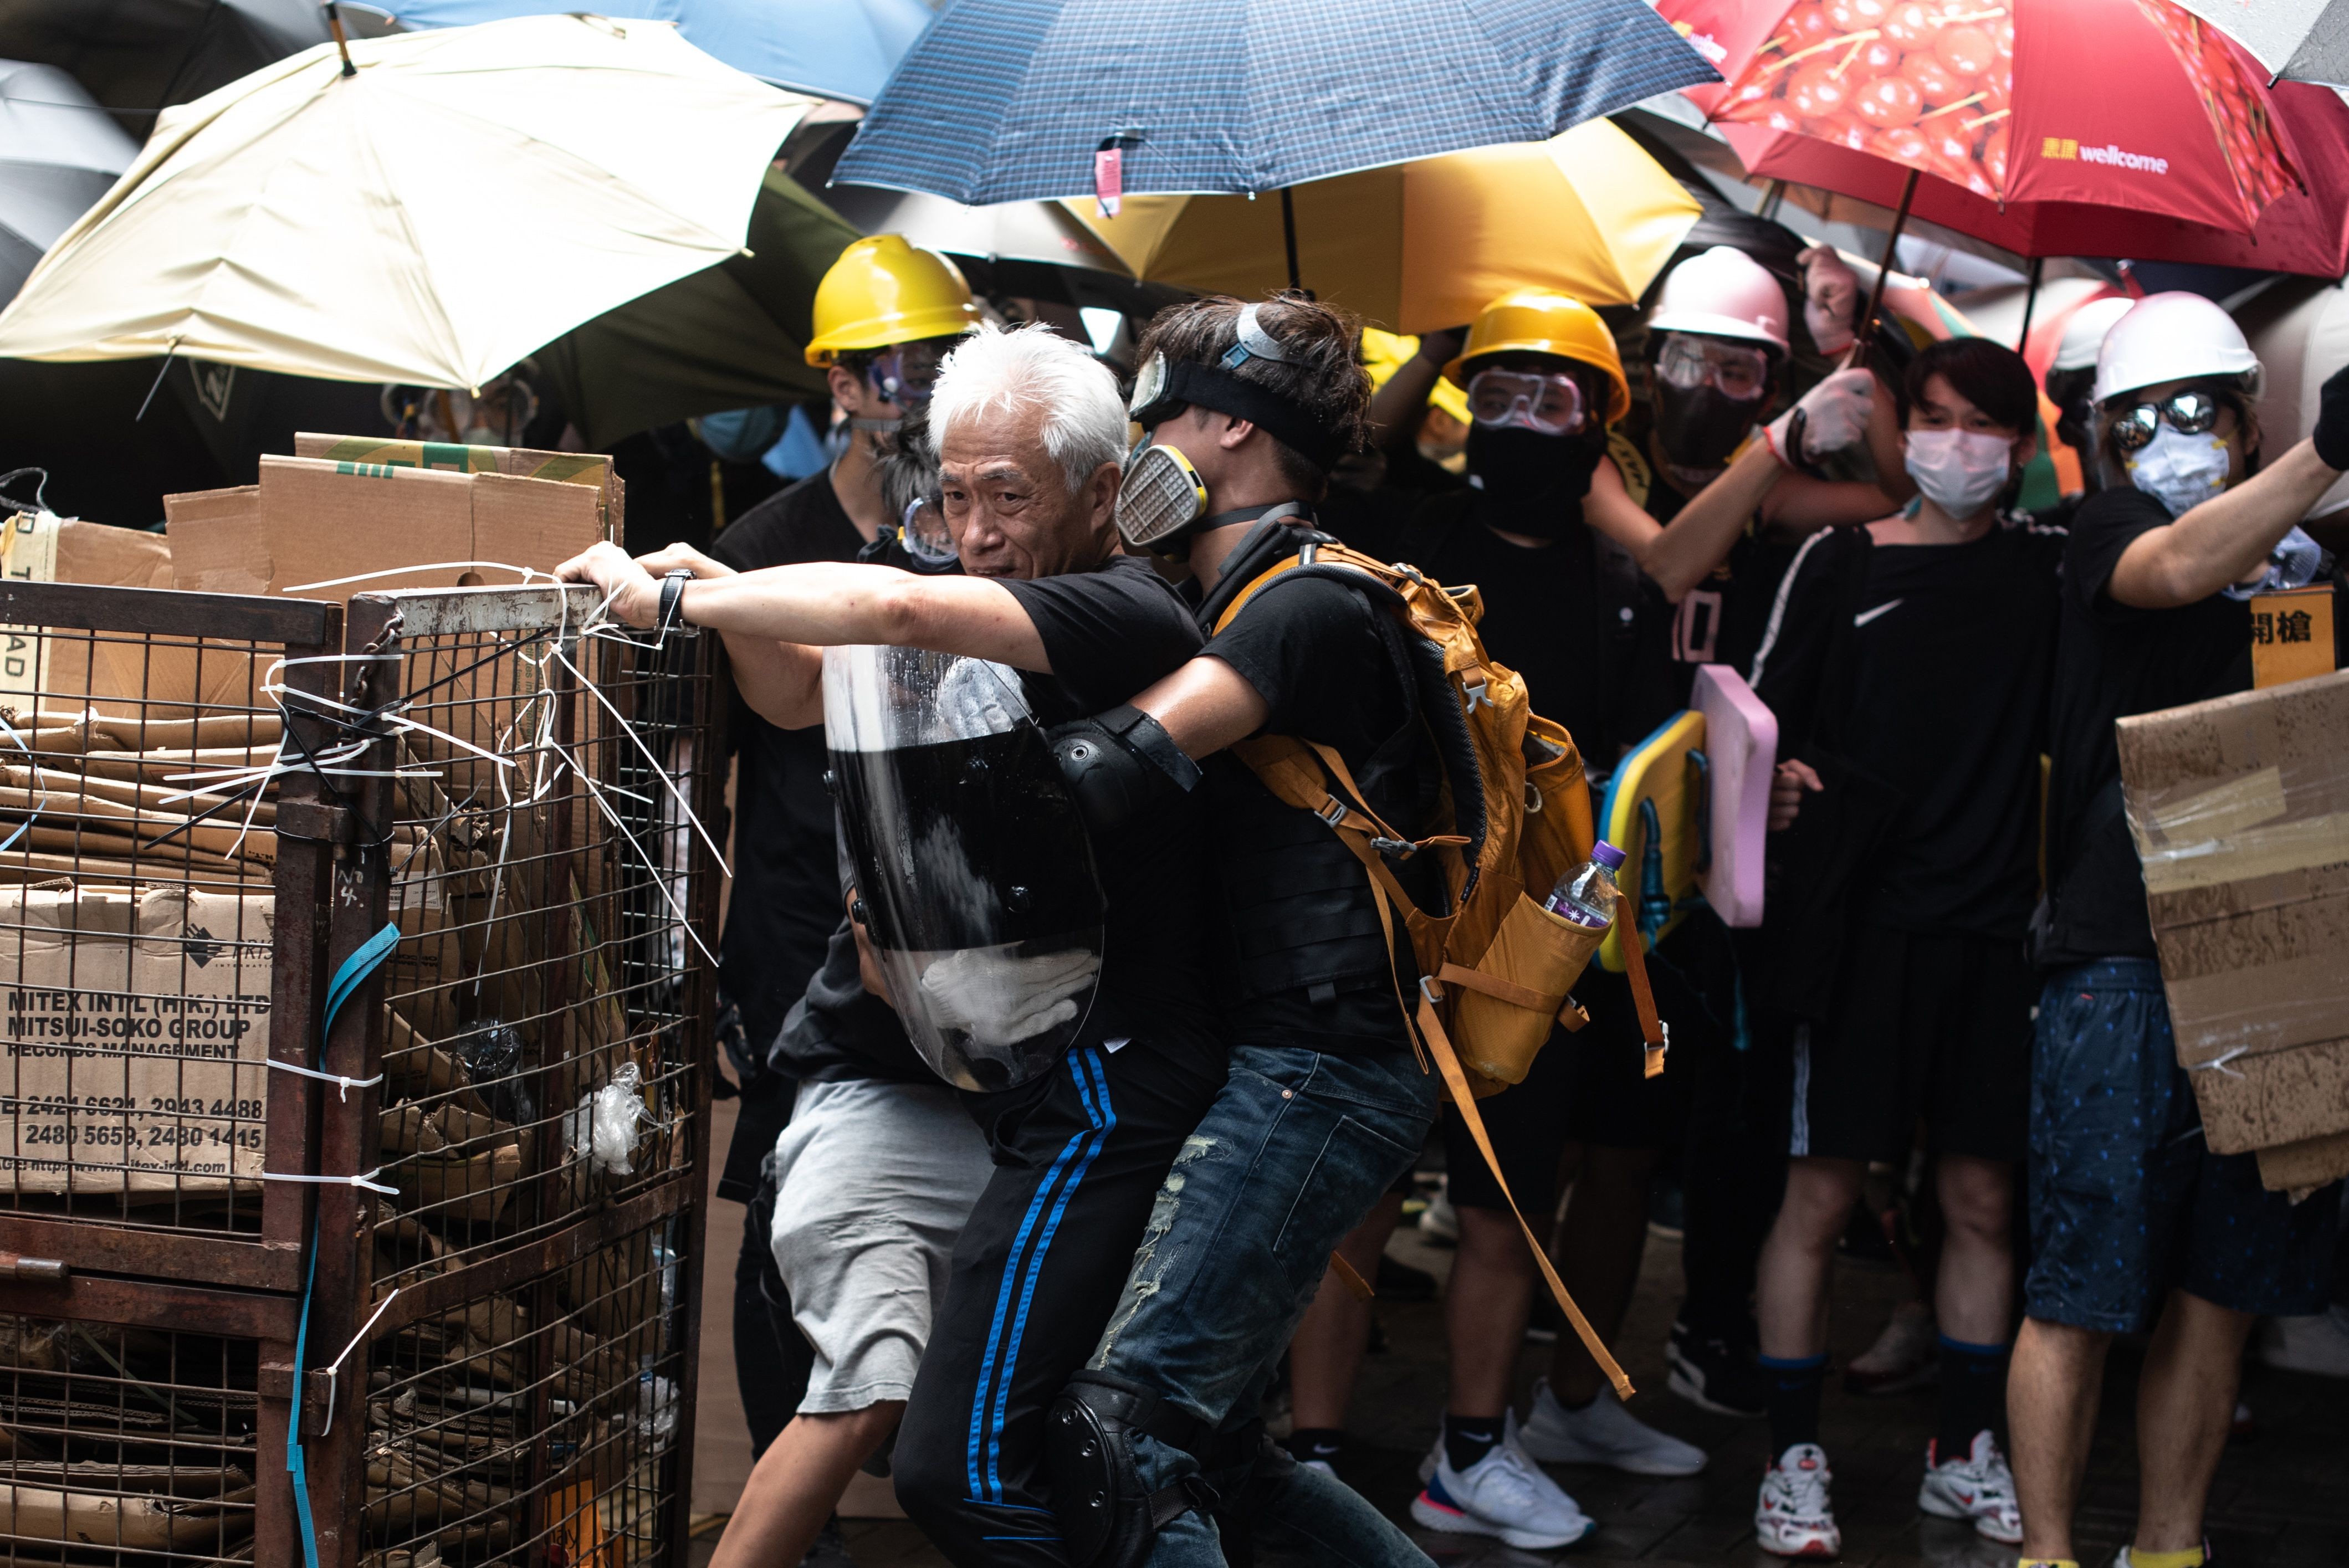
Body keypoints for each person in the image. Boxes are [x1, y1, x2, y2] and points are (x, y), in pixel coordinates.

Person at [560, 322, 1230, 1568]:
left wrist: (675, 596)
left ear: (1100, 491)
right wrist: (730, 605)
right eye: (956, 493)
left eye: (1009, 496)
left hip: (1035, 1092)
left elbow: (897, 604)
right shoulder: (951, 581)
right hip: (889, 1074)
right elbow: (798, 687)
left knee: (993, 1425)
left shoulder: (1122, 608)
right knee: (868, 1387)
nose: (976, 528)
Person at [1041, 291, 1451, 1568]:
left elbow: (1116, 765)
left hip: (1319, 1063)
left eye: (1156, 411)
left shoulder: (1304, 602)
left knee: (1120, 1436)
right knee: (1205, 1440)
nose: (1142, 435)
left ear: (1224, 426)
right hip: (1302, 1057)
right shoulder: (1256, 588)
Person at [2010, 293, 2349, 1568]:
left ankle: (2168, 1547)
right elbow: (2177, 567)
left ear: (2244, 416)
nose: (2168, 437)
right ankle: (2045, 1552)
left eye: (2195, 411)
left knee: (2223, 1291)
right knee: (2079, 1288)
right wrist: (2327, 455)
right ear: (2100, 439)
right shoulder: (2104, 532)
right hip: (2117, 965)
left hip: (2273, 956)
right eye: (2138, 419)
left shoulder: (2306, 573)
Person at [1746, 336, 2064, 1558]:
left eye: (1982, 425)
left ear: (2023, 451)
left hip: (1992, 932)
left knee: (1982, 1197)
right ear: (1901, 426)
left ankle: (1965, 1448)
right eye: (1931, 416)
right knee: (1817, 1194)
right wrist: (1766, 784)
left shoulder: (2045, 568)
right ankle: (1788, 1460)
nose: (1955, 444)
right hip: (1857, 933)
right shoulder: (1831, 560)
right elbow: (1748, 714)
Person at [705, 233, 980, 1485]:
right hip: (794, 930)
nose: (914, 385)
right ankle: (795, 1493)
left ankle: (918, 1449)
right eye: (891, 364)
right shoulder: (767, 540)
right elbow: (709, 768)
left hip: (943, 928)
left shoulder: (970, 546)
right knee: (779, 1218)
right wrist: (704, 958)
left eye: (938, 355)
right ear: (840, 386)